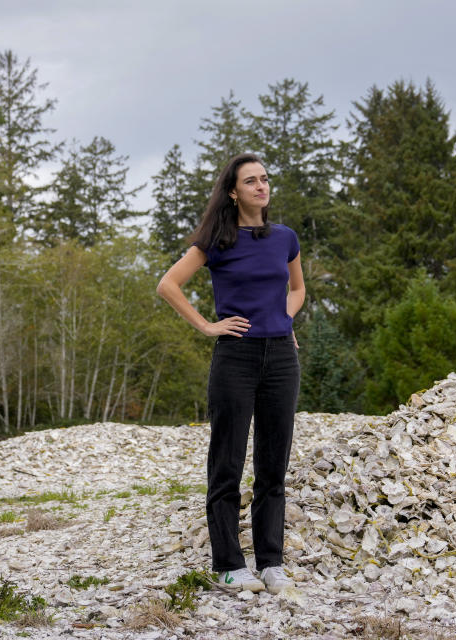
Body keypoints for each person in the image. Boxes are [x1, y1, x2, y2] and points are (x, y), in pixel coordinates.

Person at [157, 153, 304, 595]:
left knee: (273, 465)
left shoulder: (285, 238)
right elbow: (168, 284)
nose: (262, 186)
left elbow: (296, 290)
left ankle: (271, 562)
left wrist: (285, 320)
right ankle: (227, 563)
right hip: (235, 357)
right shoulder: (216, 239)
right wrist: (206, 325)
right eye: (251, 181)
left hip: (281, 358)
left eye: (265, 179)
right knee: (227, 463)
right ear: (234, 191)